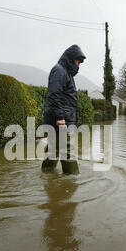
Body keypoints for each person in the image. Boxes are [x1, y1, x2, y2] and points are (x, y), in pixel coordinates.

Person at [41, 44, 86, 175]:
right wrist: (61, 118)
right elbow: (54, 95)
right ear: (71, 59)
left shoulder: (65, 73)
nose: (79, 65)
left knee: (53, 150)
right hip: (61, 121)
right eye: (78, 62)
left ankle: (46, 175)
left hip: (61, 120)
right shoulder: (59, 71)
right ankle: (73, 181)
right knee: (68, 152)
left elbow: (66, 98)